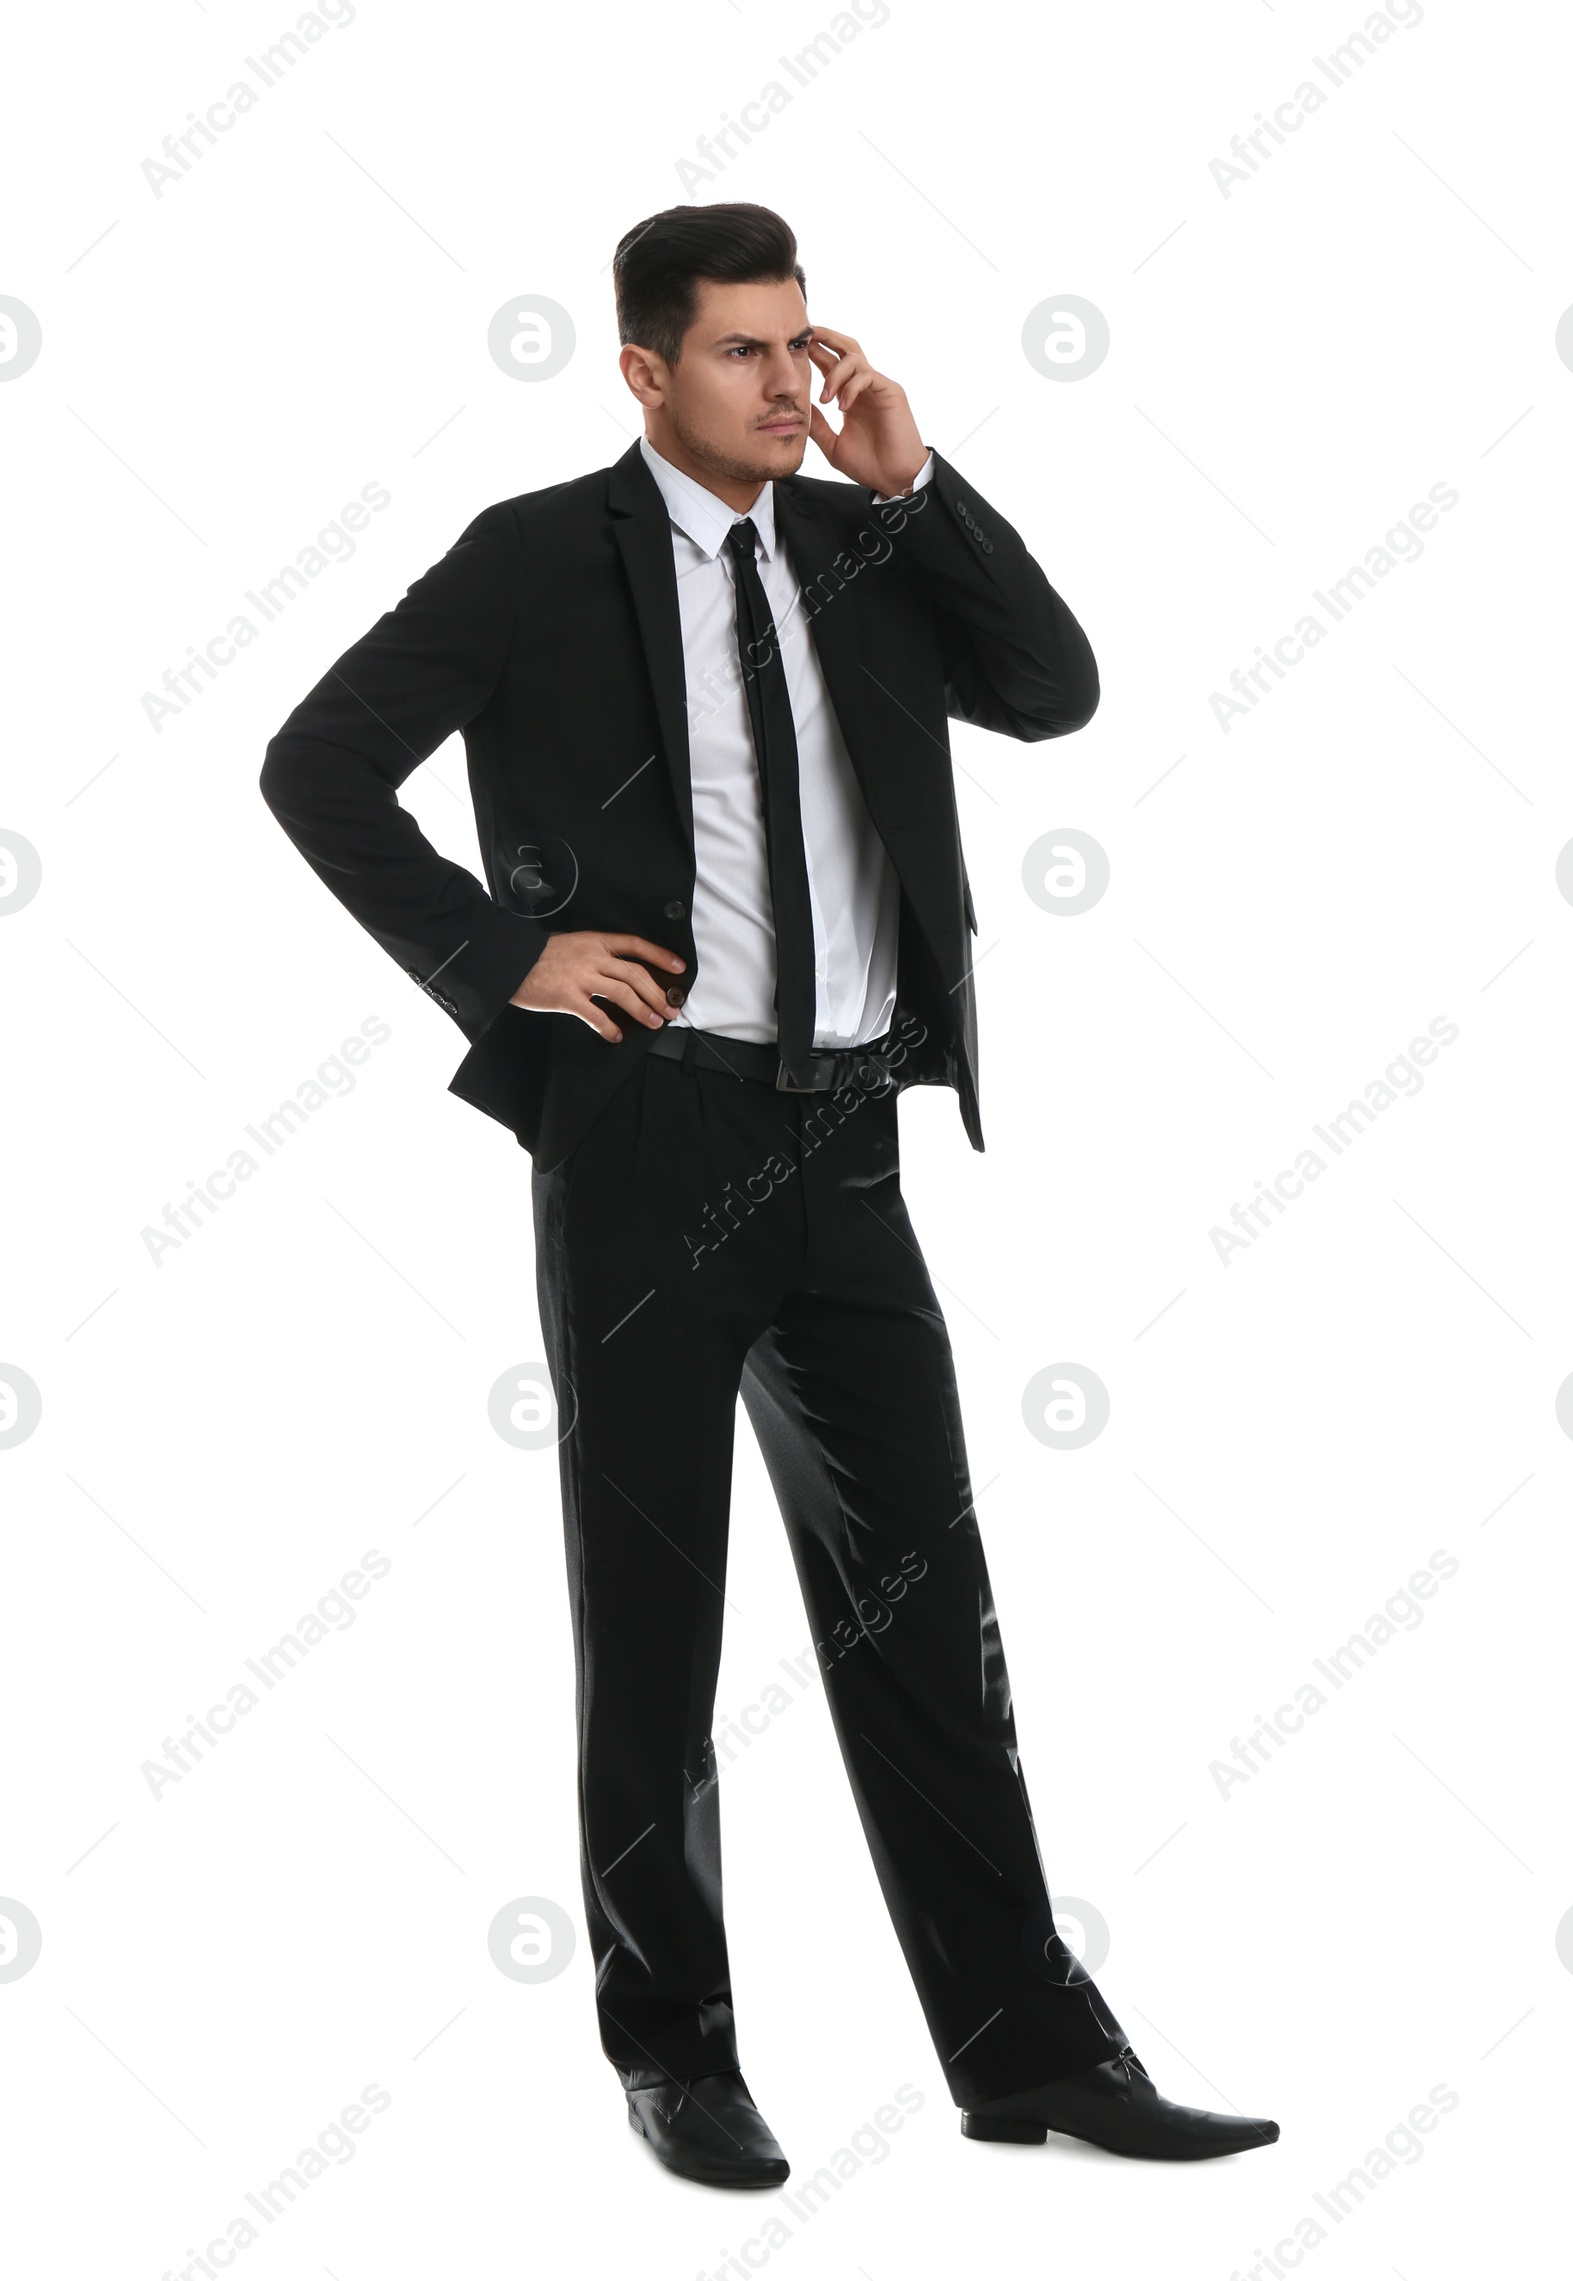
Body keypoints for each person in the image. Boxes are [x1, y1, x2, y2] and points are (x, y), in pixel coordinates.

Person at [260, 201, 1278, 2187]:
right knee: (652, 1622)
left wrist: (917, 479)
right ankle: (676, 2055)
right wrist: (498, 960)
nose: (786, 382)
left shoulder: (857, 537)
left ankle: (1026, 2053)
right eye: (742, 352)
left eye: (798, 344)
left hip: (846, 1143)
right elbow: (316, 764)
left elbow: (1051, 690)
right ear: (643, 370)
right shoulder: (536, 556)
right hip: (645, 1144)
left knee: (929, 1606)